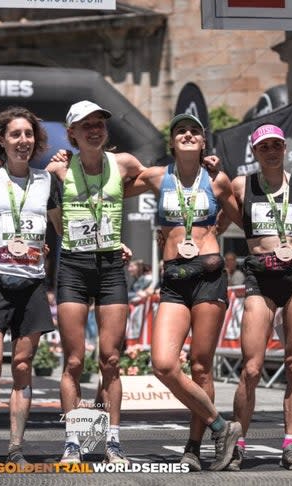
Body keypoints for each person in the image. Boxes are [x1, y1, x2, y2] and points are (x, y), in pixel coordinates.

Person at [125, 113, 244, 471]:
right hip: (174, 278)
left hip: (208, 273)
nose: (188, 134)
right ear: (172, 142)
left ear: (204, 142)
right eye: (180, 131)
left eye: (194, 131)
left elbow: (241, 218)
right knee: (163, 363)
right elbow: (112, 187)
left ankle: (193, 447)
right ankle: (223, 427)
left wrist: (214, 233)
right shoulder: (157, 177)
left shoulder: (217, 179)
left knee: (201, 367)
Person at [47, 100, 147, 465]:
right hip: (73, 266)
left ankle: (112, 440)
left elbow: (158, 179)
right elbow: (57, 220)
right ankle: (74, 440)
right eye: (85, 125)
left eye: (99, 123)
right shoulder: (58, 168)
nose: (94, 129)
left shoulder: (123, 164)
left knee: (111, 358)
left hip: (109, 268)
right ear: (71, 132)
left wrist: (206, 166)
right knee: (74, 360)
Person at [0, 106, 61, 473]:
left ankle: (16, 448)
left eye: (28, 134)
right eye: (15, 134)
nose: (23, 141)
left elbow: (61, 228)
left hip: (33, 285)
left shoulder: (46, 181)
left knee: (22, 365)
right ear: (1, 141)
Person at [229, 124, 292, 471]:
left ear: (285, 148)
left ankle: (290, 446)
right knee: (252, 368)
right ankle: (237, 443)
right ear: (254, 152)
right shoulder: (242, 186)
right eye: (263, 147)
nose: (271, 151)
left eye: (276, 145)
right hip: (259, 276)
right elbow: (217, 202)